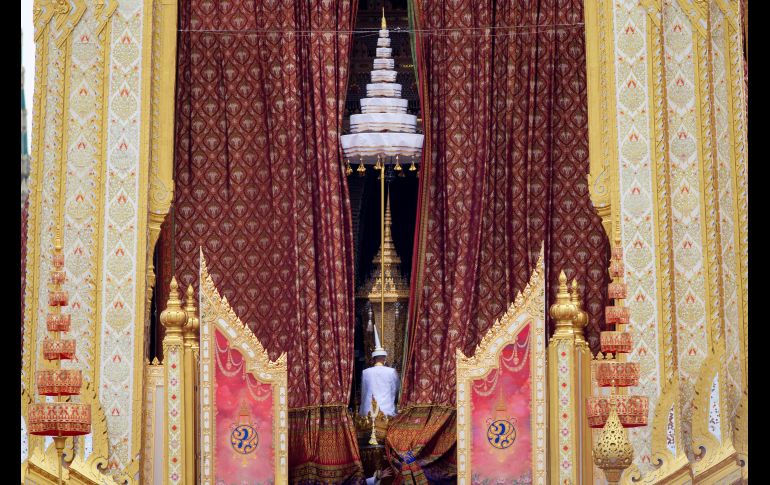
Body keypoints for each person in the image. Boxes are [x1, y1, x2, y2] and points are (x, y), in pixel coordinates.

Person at [359, 325, 400, 417]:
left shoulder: (365, 372)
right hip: (387, 411)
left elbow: (363, 393)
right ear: (384, 359)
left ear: (373, 359)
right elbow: (396, 389)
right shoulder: (391, 371)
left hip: (368, 411)